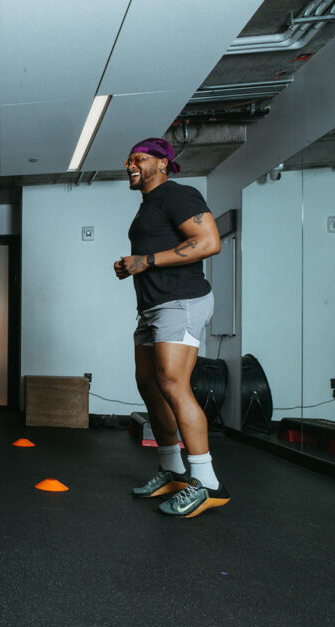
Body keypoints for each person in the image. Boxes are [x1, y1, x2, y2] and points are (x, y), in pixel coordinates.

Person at [115, 137, 230, 518]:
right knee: (149, 386)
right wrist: (134, 265)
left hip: (181, 302)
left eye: (140, 159)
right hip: (152, 308)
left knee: (172, 383)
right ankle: (174, 471)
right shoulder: (148, 206)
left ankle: (207, 482)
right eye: (129, 160)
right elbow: (155, 254)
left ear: (162, 163)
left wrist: (146, 260)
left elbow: (208, 241)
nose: (131, 165)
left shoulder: (178, 194)